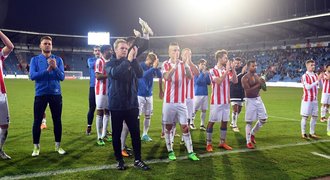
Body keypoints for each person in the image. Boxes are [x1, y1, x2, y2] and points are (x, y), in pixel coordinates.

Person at [106, 39, 150, 170]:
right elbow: (116, 74)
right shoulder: (110, 63)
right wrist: (129, 60)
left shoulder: (131, 61)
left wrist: (134, 59)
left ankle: (138, 159)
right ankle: (119, 160)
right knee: (116, 134)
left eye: (126, 48)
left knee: (135, 133)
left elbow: (140, 74)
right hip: (117, 104)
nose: (125, 50)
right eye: (122, 48)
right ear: (115, 50)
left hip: (132, 104)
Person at [162, 42, 199, 161]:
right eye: (173, 50)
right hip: (169, 102)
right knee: (168, 127)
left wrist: (187, 66)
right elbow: (167, 77)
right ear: (169, 52)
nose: (176, 52)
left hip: (181, 102)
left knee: (185, 127)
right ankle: (170, 150)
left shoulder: (183, 65)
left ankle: (191, 152)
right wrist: (175, 66)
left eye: (177, 50)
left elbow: (190, 77)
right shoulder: (166, 64)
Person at [29, 36, 66, 156]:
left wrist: (54, 67)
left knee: (57, 121)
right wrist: (47, 70)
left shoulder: (58, 60)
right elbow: (32, 76)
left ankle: (58, 146)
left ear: (52, 46)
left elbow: (62, 77)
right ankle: (36, 148)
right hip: (40, 94)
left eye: (49, 43)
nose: (47, 45)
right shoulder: (34, 60)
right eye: (45, 43)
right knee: (37, 121)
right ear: (40, 46)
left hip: (56, 94)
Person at [206, 49, 237, 152]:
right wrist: (227, 71)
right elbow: (218, 81)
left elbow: (235, 81)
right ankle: (209, 143)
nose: (227, 60)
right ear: (219, 58)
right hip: (216, 101)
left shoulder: (226, 70)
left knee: (224, 122)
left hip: (226, 102)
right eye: (225, 58)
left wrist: (233, 69)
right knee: (212, 122)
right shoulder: (212, 70)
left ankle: (222, 142)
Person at [241, 60, 267, 149]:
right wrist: (259, 84)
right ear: (248, 67)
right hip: (250, 100)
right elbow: (248, 91)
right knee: (249, 121)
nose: (255, 67)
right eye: (253, 66)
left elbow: (264, 89)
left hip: (258, 99)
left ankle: (252, 133)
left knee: (263, 119)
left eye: (256, 66)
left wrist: (263, 82)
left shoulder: (257, 76)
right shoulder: (244, 78)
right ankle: (248, 141)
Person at [138, 52, 163, 142]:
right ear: (147, 58)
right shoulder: (140, 65)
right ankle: (136, 134)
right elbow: (143, 75)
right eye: (152, 61)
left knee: (148, 116)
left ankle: (145, 134)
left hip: (149, 95)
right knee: (137, 116)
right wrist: (153, 68)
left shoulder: (153, 67)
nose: (152, 63)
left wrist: (156, 68)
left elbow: (160, 76)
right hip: (139, 95)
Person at [0, 31, 14, 160]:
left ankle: (0, 150)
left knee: (4, 126)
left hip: (1, 94)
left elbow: (10, 47)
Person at [299, 59, 322, 140]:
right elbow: (308, 87)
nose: (313, 67)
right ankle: (303, 133)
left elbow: (320, 86)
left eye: (314, 65)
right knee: (305, 117)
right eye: (311, 65)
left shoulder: (316, 75)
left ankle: (312, 133)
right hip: (307, 99)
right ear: (307, 66)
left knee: (315, 116)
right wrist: (317, 80)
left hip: (315, 100)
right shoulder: (304, 76)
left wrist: (321, 80)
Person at [95, 45, 112, 145]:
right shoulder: (99, 61)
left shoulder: (111, 62)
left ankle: (104, 134)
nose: (110, 51)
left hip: (109, 91)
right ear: (103, 52)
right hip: (101, 91)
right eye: (108, 50)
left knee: (107, 113)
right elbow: (98, 76)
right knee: (100, 112)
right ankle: (99, 137)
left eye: (111, 50)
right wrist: (111, 74)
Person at [182, 48, 199, 129]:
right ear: (182, 55)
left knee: (188, 118)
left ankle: (185, 137)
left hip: (191, 96)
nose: (188, 56)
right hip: (180, 96)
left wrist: (190, 62)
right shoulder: (179, 65)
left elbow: (197, 73)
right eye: (186, 54)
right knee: (177, 117)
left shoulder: (193, 66)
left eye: (190, 54)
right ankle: (168, 134)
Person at [86, 46, 101, 135]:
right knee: (92, 107)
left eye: (99, 50)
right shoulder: (90, 60)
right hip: (93, 86)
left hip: (103, 87)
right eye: (96, 50)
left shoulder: (103, 60)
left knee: (103, 109)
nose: (97, 52)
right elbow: (92, 65)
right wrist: (100, 60)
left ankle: (103, 130)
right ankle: (89, 126)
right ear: (93, 52)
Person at [229, 57, 246, 132]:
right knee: (235, 109)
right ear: (233, 63)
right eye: (235, 63)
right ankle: (234, 125)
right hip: (233, 91)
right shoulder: (230, 70)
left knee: (239, 110)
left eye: (238, 63)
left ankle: (233, 122)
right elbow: (232, 80)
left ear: (240, 63)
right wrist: (241, 73)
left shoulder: (244, 71)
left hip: (241, 92)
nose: (236, 64)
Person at [193, 59, 211, 130]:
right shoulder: (196, 72)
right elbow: (197, 82)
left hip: (205, 93)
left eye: (204, 64)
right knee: (195, 109)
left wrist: (207, 75)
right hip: (198, 93)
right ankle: (191, 122)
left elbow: (209, 83)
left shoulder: (205, 73)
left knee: (204, 109)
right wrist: (202, 74)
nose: (203, 66)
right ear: (199, 65)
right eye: (202, 64)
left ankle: (202, 125)